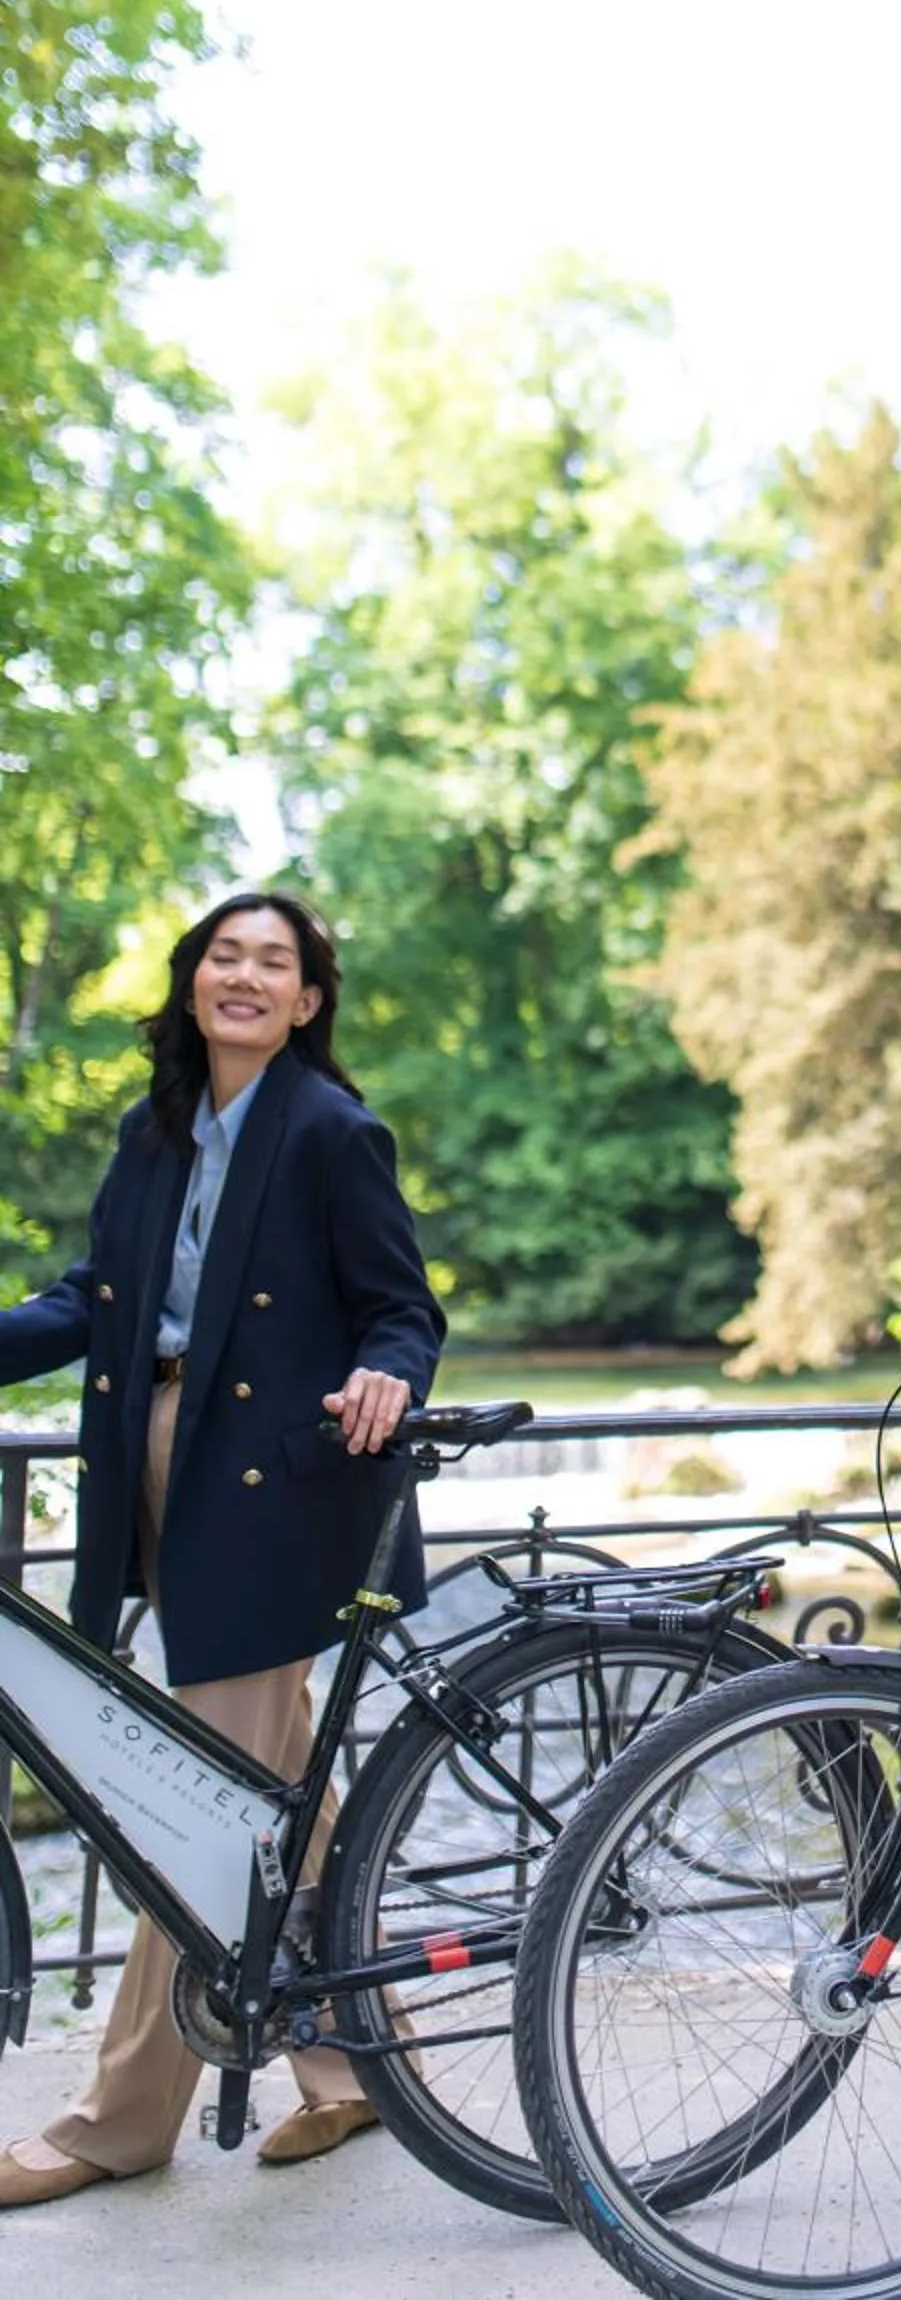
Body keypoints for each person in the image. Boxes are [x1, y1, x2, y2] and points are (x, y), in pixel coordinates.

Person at [0, 890, 445, 2206]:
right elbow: (94, 1300)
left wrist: (386, 1377)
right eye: (224, 956)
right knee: (270, 1792)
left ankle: (117, 2122)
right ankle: (363, 2067)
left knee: (188, 1804)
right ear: (193, 982)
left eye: (277, 962)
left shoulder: (331, 1132)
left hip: (277, 1492)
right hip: (153, 1463)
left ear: (308, 1001)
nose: (246, 976)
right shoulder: (155, 1133)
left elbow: (401, 1310)